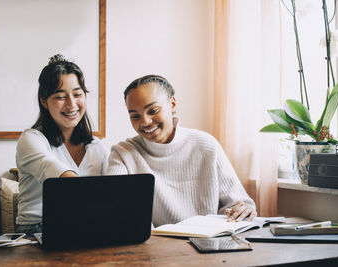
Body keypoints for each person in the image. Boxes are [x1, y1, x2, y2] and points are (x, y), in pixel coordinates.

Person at [105, 75, 256, 227]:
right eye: (135, 116)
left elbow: (239, 204)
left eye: (153, 110)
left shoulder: (206, 145)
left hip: (207, 243)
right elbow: (114, 207)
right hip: (153, 246)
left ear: (172, 104)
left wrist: (242, 209)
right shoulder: (122, 153)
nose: (145, 122)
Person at [15, 55, 107, 236]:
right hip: (36, 230)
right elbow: (53, 173)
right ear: (44, 101)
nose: (72, 104)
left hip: (85, 225)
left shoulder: (96, 146)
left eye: (77, 94)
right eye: (60, 96)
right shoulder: (31, 139)